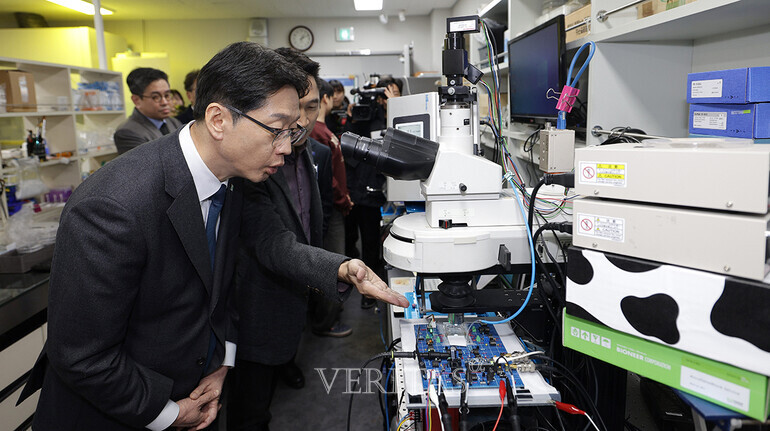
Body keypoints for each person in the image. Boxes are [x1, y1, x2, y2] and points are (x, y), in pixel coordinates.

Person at [17, 42, 311, 431]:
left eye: (292, 132)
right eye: (276, 131)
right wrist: (169, 414)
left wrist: (223, 362)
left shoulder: (232, 178)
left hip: (196, 394)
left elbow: (219, 292)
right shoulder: (114, 205)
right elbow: (82, 357)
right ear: (219, 120)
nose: (287, 148)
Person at [228, 48, 374, 431]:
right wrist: (338, 267)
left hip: (295, 288)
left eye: (310, 108)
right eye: (294, 111)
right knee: (250, 407)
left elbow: (319, 216)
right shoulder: (248, 165)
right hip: (254, 302)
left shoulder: (317, 154)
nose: (303, 121)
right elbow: (270, 241)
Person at [345, 76, 403, 308]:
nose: (387, 97)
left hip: (374, 192)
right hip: (352, 189)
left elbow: (400, 142)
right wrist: (351, 116)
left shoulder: (394, 117)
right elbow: (347, 143)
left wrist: (395, 108)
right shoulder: (363, 114)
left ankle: (370, 294)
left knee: (371, 244)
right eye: (385, 93)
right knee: (349, 241)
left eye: (394, 92)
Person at [311, 78, 354, 256]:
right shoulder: (316, 132)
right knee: (335, 256)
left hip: (337, 202)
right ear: (325, 99)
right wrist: (342, 198)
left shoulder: (325, 130)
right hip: (333, 204)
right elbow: (326, 176)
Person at [114, 67, 182, 155]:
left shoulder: (175, 123)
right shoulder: (127, 132)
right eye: (156, 97)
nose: (164, 102)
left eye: (167, 95)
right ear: (136, 100)